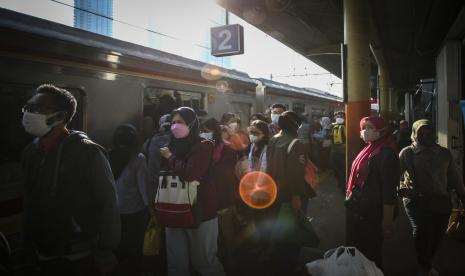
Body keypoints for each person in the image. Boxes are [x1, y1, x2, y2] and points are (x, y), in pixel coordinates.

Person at [21, 84, 120, 276]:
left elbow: (108, 204)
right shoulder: (30, 153)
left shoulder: (88, 152)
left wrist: (105, 250)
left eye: (38, 108)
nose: (29, 113)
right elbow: (29, 199)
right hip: (41, 252)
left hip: (78, 254)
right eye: (28, 107)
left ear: (61, 116)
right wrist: (26, 243)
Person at [159, 107, 225, 276]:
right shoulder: (169, 145)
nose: (175, 126)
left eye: (180, 122)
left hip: (200, 210)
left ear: (192, 123)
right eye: (173, 122)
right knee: (176, 262)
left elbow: (191, 173)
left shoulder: (203, 146)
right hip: (172, 208)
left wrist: (170, 158)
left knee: (204, 261)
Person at [399, 119, 465, 276]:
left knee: (437, 235)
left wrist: (463, 199)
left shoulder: (444, 154)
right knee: (422, 231)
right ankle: (424, 266)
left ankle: (426, 262)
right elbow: (395, 177)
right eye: (421, 132)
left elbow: (456, 180)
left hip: (440, 201)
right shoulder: (407, 152)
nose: (426, 135)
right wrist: (400, 189)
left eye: (429, 132)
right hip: (416, 201)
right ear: (415, 133)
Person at [345, 116, 399, 269]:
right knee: (363, 249)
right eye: (364, 127)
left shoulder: (386, 153)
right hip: (364, 208)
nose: (366, 131)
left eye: (371, 128)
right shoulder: (370, 148)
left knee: (371, 252)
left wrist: (387, 221)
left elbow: (389, 191)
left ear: (382, 130)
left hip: (374, 212)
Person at [266, 111, 309, 275]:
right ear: (296, 125)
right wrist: (297, 197)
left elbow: (269, 167)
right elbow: (296, 174)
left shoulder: (274, 139)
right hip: (290, 195)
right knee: (292, 232)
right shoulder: (296, 143)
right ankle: (287, 266)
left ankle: (275, 260)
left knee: (278, 228)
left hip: (275, 191)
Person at [109, 124, 149, 276]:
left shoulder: (108, 155)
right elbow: (143, 187)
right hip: (135, 212)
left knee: (117, 247)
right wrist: (150, 209)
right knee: (135, 248)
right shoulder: (138, 159)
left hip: (114, 212)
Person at [201, 118, 239, 272]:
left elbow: (226, 174)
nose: (204, 133)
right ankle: (218, 256)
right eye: (202, 130)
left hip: (223, 196)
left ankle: (232, 258)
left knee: (226, 230)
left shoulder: (228, 149)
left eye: (206, 130)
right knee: (213, 233)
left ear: (214, 131)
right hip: (208, 197)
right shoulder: (203, 147)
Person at [143, 114, 172, 204]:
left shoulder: (149, 141)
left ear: (161, 126)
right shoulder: (178, 141)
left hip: (153, 185)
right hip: (173, 187)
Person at [331, 111, 346, 192]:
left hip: (343, 152)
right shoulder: (333, 126)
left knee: (342, 170)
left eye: (341, 116)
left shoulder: (347, 126)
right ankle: (340, 183)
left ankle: (343, 187)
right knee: (335, 170)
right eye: (337, 116)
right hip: (334, 151)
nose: (339, 118)